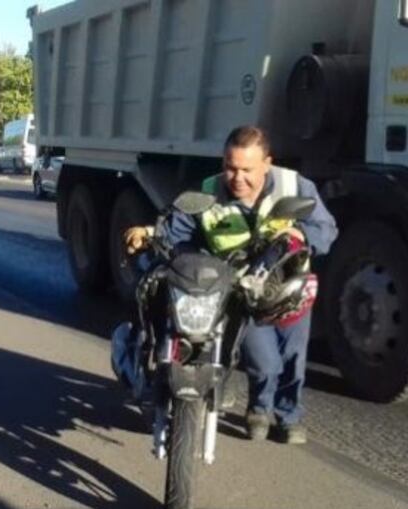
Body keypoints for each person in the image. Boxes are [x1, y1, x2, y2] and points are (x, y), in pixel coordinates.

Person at [126, 125, 337, 444]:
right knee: (264, 361)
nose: (237, 178)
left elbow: (325, 227)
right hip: (241, 290)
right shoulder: (209, 192)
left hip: (290, 288)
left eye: (247, 170)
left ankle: (288, 416)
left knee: (294, 358)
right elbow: (178, 229)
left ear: (267, 163)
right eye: (230, 168)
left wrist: (301, 236)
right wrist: (149, 233)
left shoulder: (295, 186)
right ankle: (259, 408)